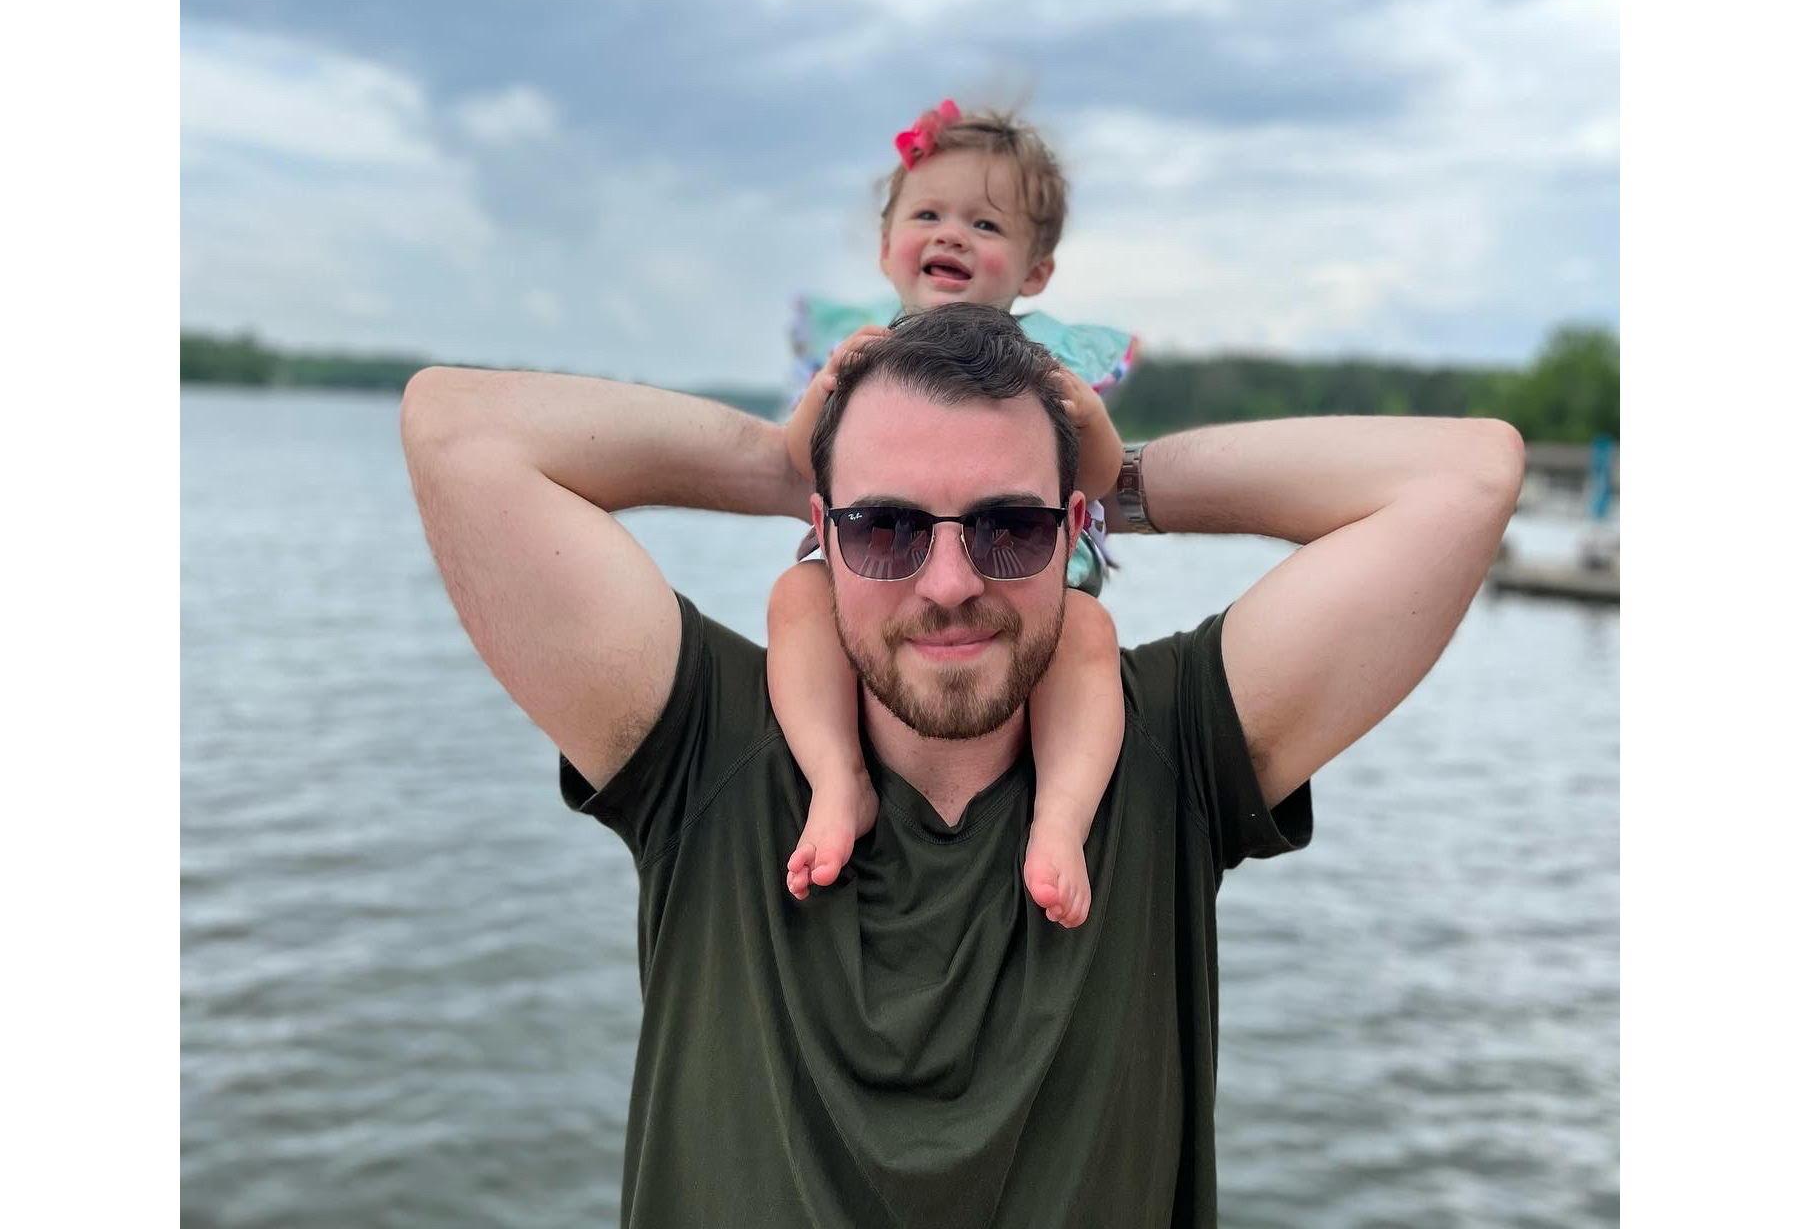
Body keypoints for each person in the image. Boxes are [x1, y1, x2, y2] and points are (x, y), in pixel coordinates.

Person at [401, 304, 1525, 1228]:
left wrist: (1114, 481)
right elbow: (456, 431)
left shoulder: (1166, 755)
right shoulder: (710, 746)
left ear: (1071, 531)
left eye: (1009, 528)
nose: (948, 583)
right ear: (823, 535)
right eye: (886, 530)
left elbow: (1467, 476)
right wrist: (788, 460)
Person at [775, 99, 1137, 928]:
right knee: (796, 599)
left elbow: (1101, 478)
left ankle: (1060, 818)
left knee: (1087, 633)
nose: (953, 236)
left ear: (1035, 272)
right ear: (885, 248)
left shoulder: (1047, 364)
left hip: (1032, 585)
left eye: (985, 223)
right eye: (929, 215)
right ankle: (837, 777)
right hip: (873, 580)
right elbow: (800, 459)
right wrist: (826, 390)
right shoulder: (862, 355)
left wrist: (1087, 416)